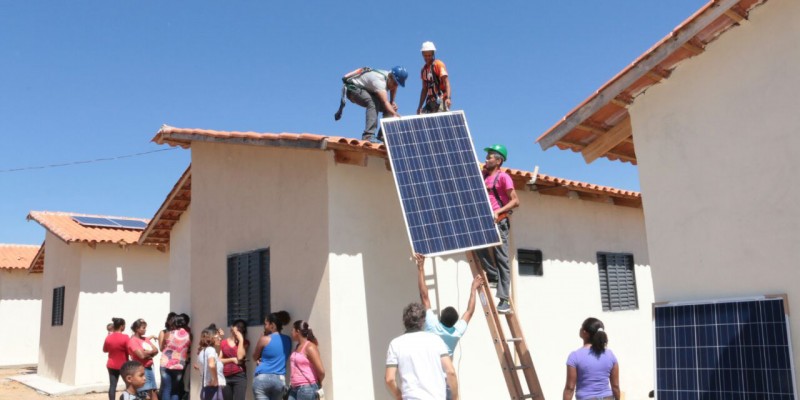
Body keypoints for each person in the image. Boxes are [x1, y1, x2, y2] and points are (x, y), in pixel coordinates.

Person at [476, 144, 519, 314]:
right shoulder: (484, 175)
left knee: (502, 258)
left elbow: (515, 201)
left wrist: (498, 211)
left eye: (490, 156)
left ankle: (504, 299)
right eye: (487, 156)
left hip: (499, 221)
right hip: (486, 222)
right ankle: (493, 275)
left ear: (499, 160)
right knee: (478, 245)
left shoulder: (504, 178)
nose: (487, 158)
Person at [385, 303, 459, 400]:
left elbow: (389, 379)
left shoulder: (395, 344)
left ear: (404, 321)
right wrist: (455, 396)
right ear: (423, 321)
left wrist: (398, 395)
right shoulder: (436, 340)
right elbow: (450, 371)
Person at [414, 253, 482, 356]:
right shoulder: (457, 332)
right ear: (454, 323)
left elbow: (424, 296)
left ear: (441, 316)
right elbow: (469, 312)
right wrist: (473, 289)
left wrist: (421, 267)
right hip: (444, 370)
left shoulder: (433, 326)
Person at [335, 66, 408, 142]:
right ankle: (368, 136)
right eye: (394, 83)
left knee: (390, 108)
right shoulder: (379, 81)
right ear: (390, 77)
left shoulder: (391, 79)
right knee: (373, 103)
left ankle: (382, 136)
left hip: (366, 90)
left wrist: (392, 102)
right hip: (353, 89)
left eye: (397, 84)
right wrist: (394, 114)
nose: (395, 86)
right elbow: (385, 102)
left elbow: (393, 89)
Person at [563, 318, 620, 400]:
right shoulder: (610, 355)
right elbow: (615, 386)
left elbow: (570, 388)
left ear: (584, 333)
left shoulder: (575, 356)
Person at [252, 313, 292, 400]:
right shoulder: (288, 339)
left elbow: (254, 357)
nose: (264, 327)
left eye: (266, 324)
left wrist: (261, 338)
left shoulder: (264, 339)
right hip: (279, 379)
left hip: (262, 378)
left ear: (272, 325)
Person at [288, 320, 325, 400]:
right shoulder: (298, 346)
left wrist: (317, 382)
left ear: (297, 331)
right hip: (294, 388)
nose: (291, 332)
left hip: (306, 388)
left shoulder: (310, 347)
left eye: (292, 330)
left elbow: (321, 371)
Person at [127, 319, 160, 400]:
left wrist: (147, 353)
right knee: (145, 394)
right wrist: (150, 353)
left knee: (153, 391)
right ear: (137, 329)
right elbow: (141, 356)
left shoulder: (146, 339)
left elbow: (156, 350)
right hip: (141, 369)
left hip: (149, 368)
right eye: (143, 328)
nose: (145, 329)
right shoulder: (133, 341)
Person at [160, 314, 191, 400]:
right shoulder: (188, 335)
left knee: (166, 389)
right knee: (175, 390)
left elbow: (162, 347)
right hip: (179, 365)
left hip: (165, 364)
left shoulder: (168, 334)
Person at [417, 41, 451, 114]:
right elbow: (424, 89)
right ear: (422, 55)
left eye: (429, 55)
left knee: (440, 120)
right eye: (425, 55)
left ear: (433, 54)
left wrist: (448, 98)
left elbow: (446, 82)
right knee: (423, 118)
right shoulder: (423, 70)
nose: (427, 57)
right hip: (430, 101)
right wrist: (420, 106)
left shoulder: (438, 64)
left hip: (441, 99)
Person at [221, 319, 249, 400]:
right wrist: (232, 359)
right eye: (238, 326)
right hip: (225, 376)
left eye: (242, 327)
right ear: (232, 328)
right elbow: (219, 360)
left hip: (239, 376)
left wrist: (241, 340)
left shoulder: (245, 343)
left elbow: (240, 357)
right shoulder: (223, 343)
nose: (239, 329)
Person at [103, 317, 129, 400]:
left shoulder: (108, 337)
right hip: (123, 365)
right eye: (124, 325)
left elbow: (105, 350)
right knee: (129, 385)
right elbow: (129, 350)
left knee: (112, 386)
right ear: (121, 326)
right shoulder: (125, 337)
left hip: (111, 365)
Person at [199, 328, 226, 400]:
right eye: (217, 337)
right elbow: (211, 364)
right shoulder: (211, 350)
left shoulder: (203, 351)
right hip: (213, 388)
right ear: (211, 338)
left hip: (206, 388)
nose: (220, 338)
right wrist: (215, 380)